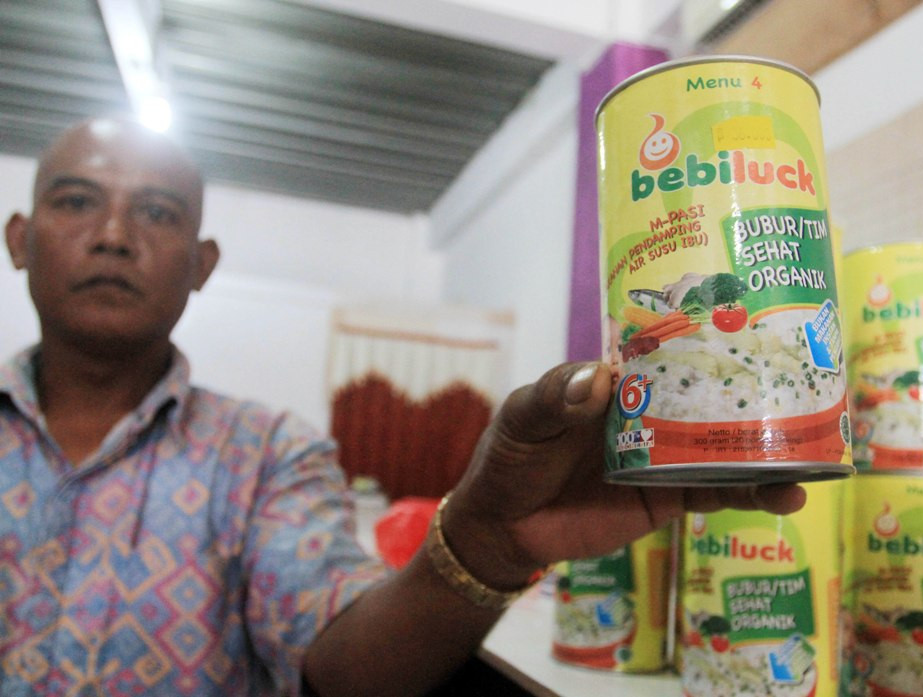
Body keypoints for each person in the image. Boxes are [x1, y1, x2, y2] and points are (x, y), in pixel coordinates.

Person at [0, 116, 806, 697]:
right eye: (76, 201)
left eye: (156, 212)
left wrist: (489, 540)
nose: (113, 234)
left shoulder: (267, 455)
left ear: (202, 264)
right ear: (18, 240)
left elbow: (343, 668)